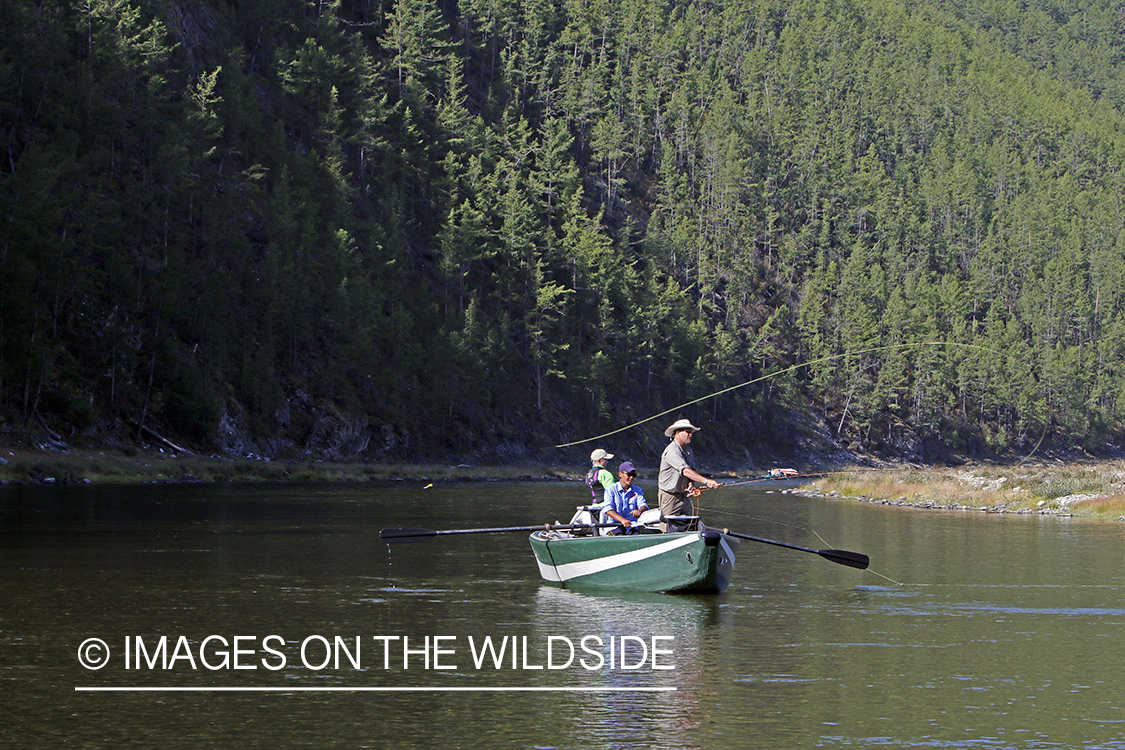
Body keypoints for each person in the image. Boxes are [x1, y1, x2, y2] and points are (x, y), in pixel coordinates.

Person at [658, 418, 720, 531]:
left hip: (685, 496)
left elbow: (691, 471)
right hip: (670, 496)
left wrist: (691, 484)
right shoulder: (671, 451)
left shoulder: (689, 451)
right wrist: (707, 482)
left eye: (691, 432)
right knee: (668, 528)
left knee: (690, 525)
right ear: (677, 433)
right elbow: (685, 470)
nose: (690, 434)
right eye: (687, 431)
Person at [603, 461, 649, 534]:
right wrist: (622, 520)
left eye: (634, 475)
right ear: (620, 474)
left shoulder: (638, 490)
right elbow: (608, 510)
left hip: (632, 525)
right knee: (619, 538)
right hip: (613, 526)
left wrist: (640, 511)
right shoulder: (610, 490)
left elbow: (644, 506)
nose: (631, 477)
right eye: (629, 474)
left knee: (637, 538)